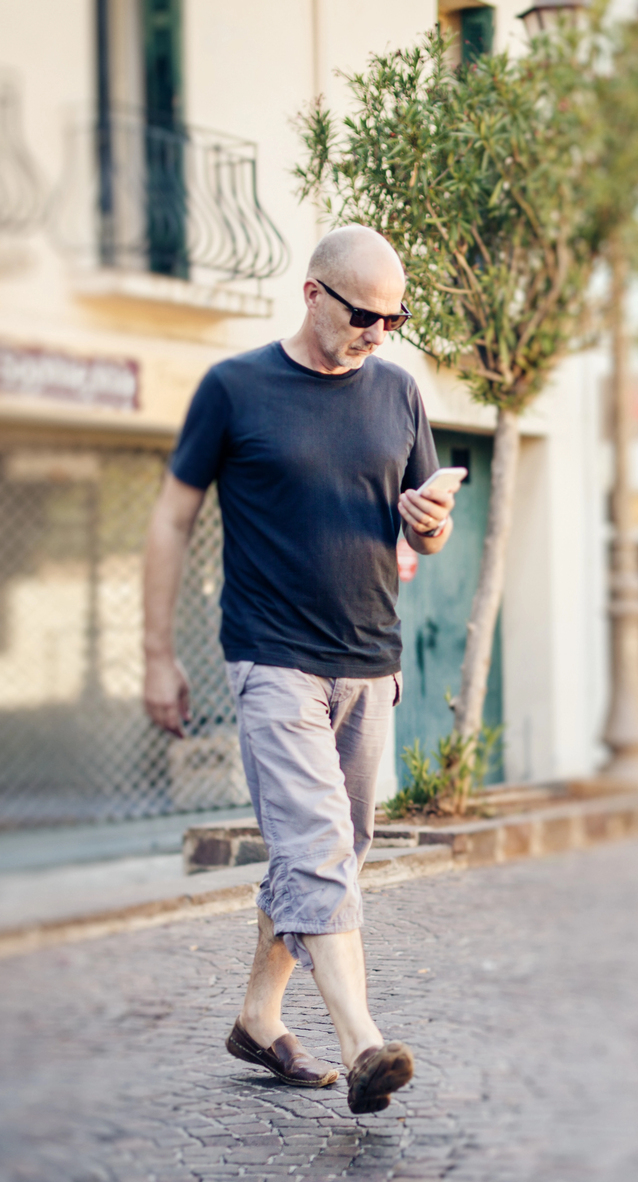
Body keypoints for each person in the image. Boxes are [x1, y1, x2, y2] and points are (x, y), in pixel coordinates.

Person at [141, 225, 454, 1114]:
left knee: (336, 849)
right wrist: (157, 655)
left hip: (369, 657)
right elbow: (170, 520)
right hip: (272, 657)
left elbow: (427, 532)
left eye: (396, 318)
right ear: (314, 292)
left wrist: (430, 520)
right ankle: (363, 1041)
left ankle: (257, 1015)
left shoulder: (398, 391)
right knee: (318, 846)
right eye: (365, 314)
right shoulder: (235, 389)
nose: (380, 333)